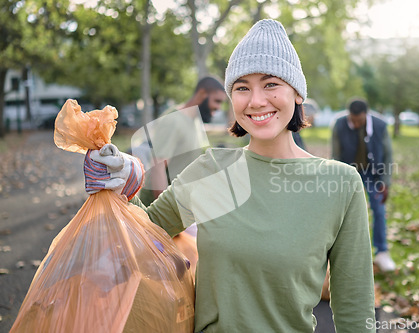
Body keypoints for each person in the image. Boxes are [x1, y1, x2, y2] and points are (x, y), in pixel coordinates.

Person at [84, 19, 375, 332]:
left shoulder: (340, 185)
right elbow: (144, 237)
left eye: (271, 84)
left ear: (298, 94)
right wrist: (122, 187)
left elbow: (355, 308)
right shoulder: (213, 171)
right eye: (242, 88)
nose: (256, 100)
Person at [136, 76, 227, 206]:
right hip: (160, 214)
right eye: (217, 101)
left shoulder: (195, 121)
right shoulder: (173, 120)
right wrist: (163, 212)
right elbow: (158, 168)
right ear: (202, 94)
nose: (218, 108)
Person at [331, 98, 396, 272]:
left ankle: (382, 252)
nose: (356, 123)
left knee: (379, 210)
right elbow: (335, 154)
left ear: (366, 115)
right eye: (353, 119)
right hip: (348, 173)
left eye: (359, 120)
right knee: (344, 212)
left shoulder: (380, 125)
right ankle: (345, 253)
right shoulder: (339, 124)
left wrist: (385, 182)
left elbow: (388, 155)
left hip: (373, 173)